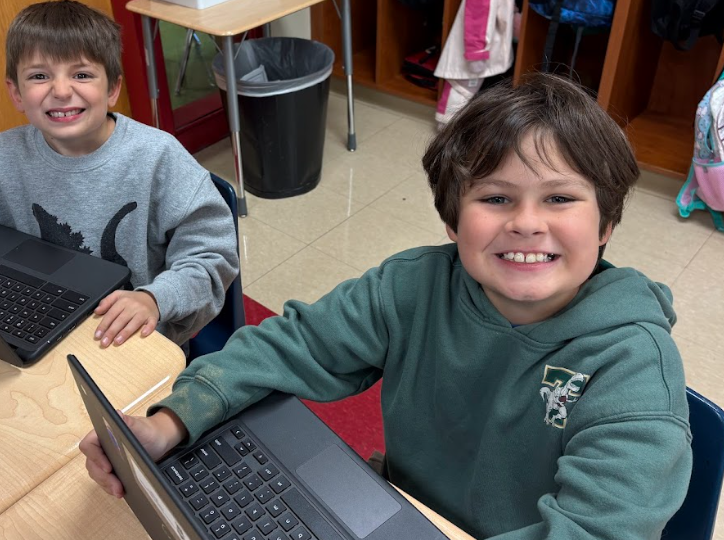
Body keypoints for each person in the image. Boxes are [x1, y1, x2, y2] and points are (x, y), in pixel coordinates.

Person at [80, 73, 692, 539]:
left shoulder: (632, 364)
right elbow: (291, 345)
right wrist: (169, 422)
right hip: (397, 513)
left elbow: (598, 529)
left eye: (560, 198)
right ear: (453, 220)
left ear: (607, 222)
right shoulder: (414, 286)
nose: (527, 224)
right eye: (497, 198)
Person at [0, 0, 239, 348]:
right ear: (17, 93)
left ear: (112, 88)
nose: (62, 91)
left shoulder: (159, 158)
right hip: (35, 317)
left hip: (131, 334)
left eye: (81, 74)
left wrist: (155, 299)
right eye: (39, 76)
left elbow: (212, 257)